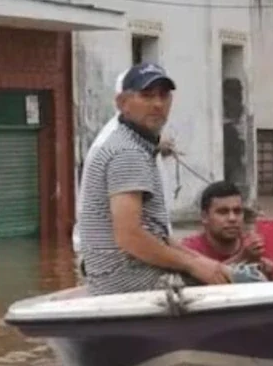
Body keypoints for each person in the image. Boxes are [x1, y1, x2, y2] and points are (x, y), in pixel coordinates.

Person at [76, 62, 231, 296]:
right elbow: (129, 236)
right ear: (122, 103)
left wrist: (202, 262)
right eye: (147, 96)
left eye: (163, 96)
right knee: (243, 282)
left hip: (126, 275)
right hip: (130, 281)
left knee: (227, 272)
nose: (158, 104)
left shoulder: (134, 143)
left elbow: (157, 234)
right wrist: (193, 265)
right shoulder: (127, 152)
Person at [181, 181, 273, 282]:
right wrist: (243, 258)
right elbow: (196, 283)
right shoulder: (189, 249)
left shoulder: (255, 245)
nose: (232, 218)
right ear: (204, 217)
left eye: (237, 211)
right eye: (223, 212)